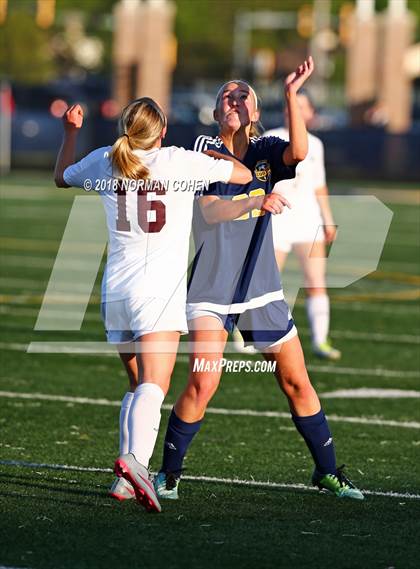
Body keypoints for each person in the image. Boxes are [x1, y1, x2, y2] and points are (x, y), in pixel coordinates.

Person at [154, 57, 364, 502]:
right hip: (212, 288)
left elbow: (299, 153)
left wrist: (290, 95)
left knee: (296, 382)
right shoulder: (204, 149)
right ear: (215, 112)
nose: (232, 100)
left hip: (260, 287)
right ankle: (168, 475)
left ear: (255, 109)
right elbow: (210, 210)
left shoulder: (267, 148)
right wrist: (256, 203)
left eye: (241, 95)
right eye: (225, 96)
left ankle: (327, 472)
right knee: (203, 383)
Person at [54, 97, 253, 512]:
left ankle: (124, 481)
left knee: (136, 385)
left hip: (116, 292)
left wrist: (71, 132)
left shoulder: (105, 158)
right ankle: (137, 463)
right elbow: (243, 173)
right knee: (154, 386)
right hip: (156, 292)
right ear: (162, 132)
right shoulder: (180, 160)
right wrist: (213, 150)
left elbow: (61, 177)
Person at [264, 90, 341, 360]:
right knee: (267, 283)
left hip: (308, 220)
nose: (293, 111)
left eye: (301, 106)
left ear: (310, 113)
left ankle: (321, 340)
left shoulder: (315, 145)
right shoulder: (269, 137)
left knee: (316, 281)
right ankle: (253, 333)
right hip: (277, 219)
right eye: (290, 105)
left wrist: (328, 219)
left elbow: (319, 184)